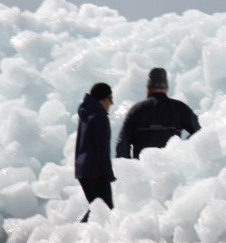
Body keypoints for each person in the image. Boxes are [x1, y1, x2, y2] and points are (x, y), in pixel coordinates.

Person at [116, 67, 200, 159]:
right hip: (171, 168)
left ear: (148, 88)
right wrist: (182, 148)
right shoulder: (180, 108)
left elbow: (122, 144)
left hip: (142, 169)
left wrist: (128, 168)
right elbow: (199, 132)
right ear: (166, 88)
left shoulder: (136, 110)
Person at [76, 82, 116, 222]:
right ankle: (76, 235)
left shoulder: (86, 114)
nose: (111, 103)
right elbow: (102, 148)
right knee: (104, 207)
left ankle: (79, 236)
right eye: (110, 99)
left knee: (97, 207)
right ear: (102, 99)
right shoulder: (99, 117)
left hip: (83, 170)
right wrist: (108, 173)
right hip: (95, 171)